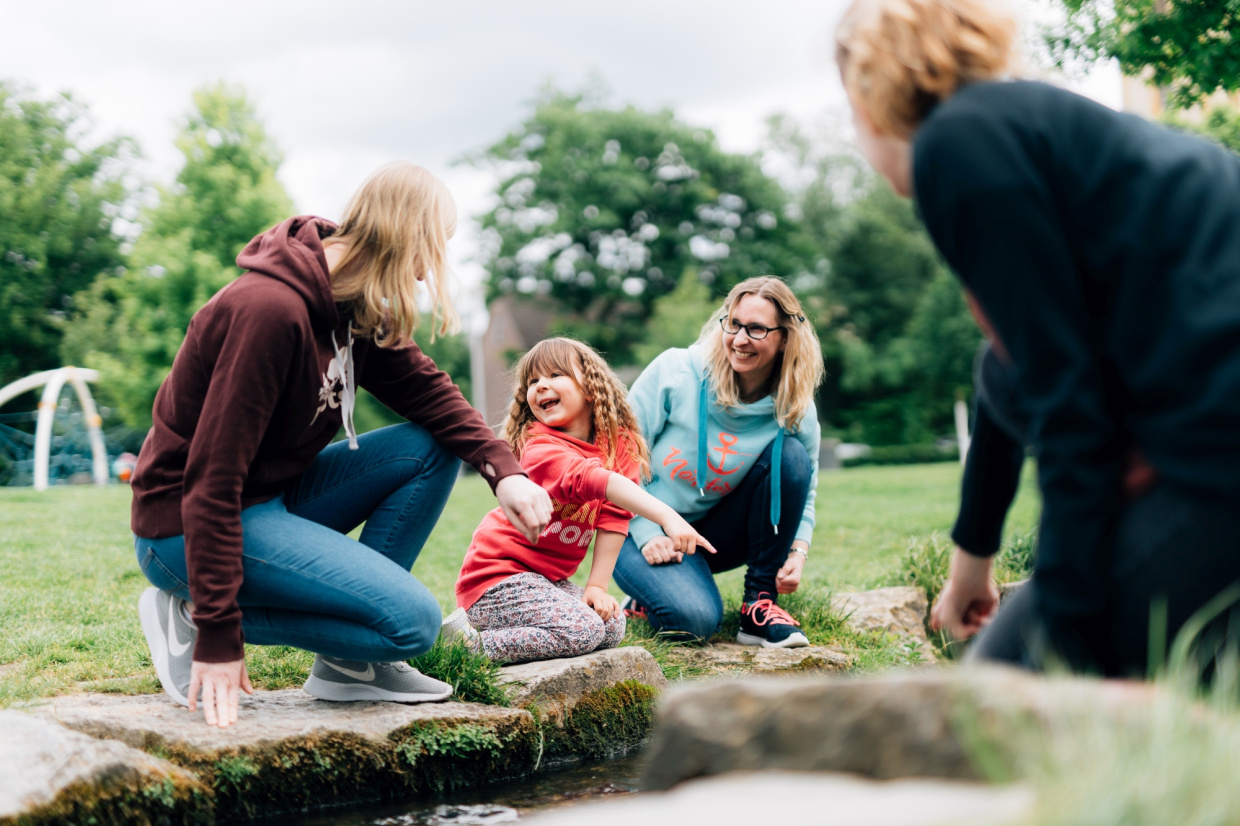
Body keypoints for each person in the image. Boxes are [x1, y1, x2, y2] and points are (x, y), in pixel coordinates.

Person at [837, 0, 1240, 675]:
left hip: (1217, 457)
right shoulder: (1034, 127)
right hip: (1205, 428)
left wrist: (1066, 627)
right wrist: (973, 561)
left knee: (1002, 683)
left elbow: (1070, 412)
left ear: (868, 98)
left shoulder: (957, 148)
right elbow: (1012, 370)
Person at [131, 161, 553, 728]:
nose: (429, 273)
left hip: (266, 500)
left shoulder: (350, 303)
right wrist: (218, 628)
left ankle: (348, 667)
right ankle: (185, 611)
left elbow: (429, 392)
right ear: (408, 239)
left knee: (427, 448)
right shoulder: (269, 311)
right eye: (434, 248)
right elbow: (212, 477)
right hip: (185, 525)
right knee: (411, 623)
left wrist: (506, 471)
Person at [442, 338, 715, 664]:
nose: (541, 385)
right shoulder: (539, 446)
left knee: (612, 624)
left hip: (547, 581)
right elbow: (594, 479)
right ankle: (465, 647)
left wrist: (597, 587)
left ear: (591, 387)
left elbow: (615, 517)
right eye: (533, 381)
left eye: (555, 374)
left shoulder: (619, 444)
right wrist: (667, 517)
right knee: (582, 630)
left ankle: (485, 639)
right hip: (498, 578)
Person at [612, 276, 825, 648]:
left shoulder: (795, 407)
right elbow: (615, 460)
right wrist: (647, 532)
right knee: (694, 621)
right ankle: (647, 593)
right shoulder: (676, 371)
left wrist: (798, 550)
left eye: (756, 329)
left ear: (785, 337)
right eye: (734, 323)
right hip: (636, 530)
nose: (739, 339)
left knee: (791, 457)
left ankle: (758, 608)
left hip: (713, 535)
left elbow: (805, 489)